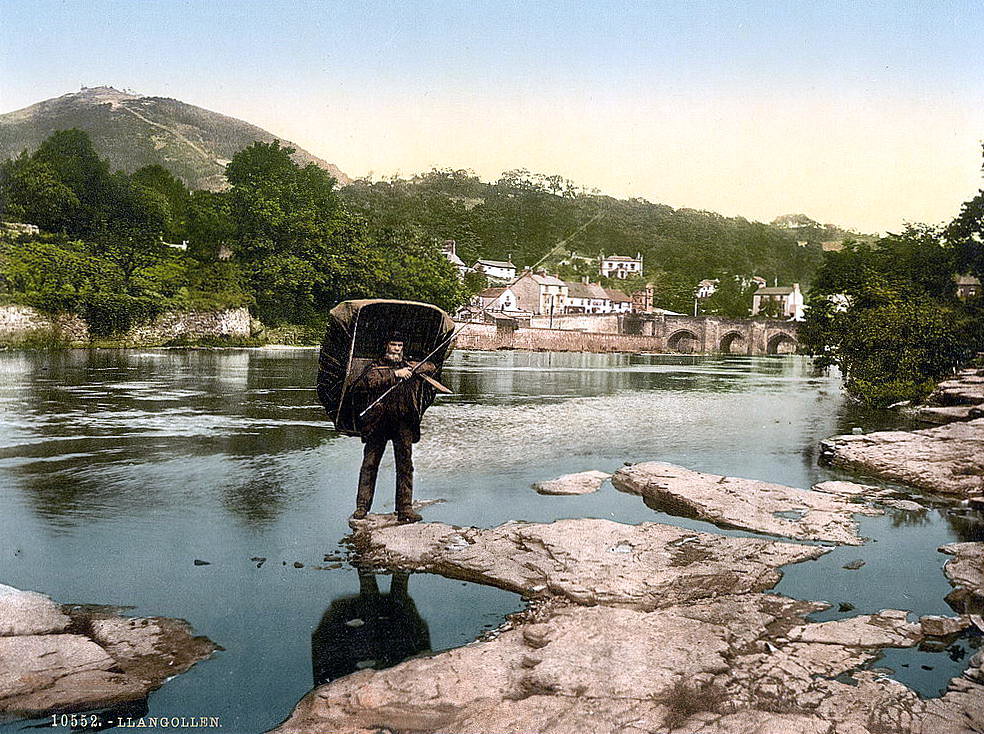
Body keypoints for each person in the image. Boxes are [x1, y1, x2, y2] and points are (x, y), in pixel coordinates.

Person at [351, 332, 437, 523]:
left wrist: (414, 368)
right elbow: (368, 381)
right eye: (393, 345)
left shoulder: (409, 365)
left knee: (405, 465)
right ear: (386, 346)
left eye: (399, 345)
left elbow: (432, 367)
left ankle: (405, 509)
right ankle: (362, 508)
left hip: (403, 422)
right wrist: (395, 374)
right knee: (370, 464)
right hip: (378, 423)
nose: (397, 349)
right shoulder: (376, 366)